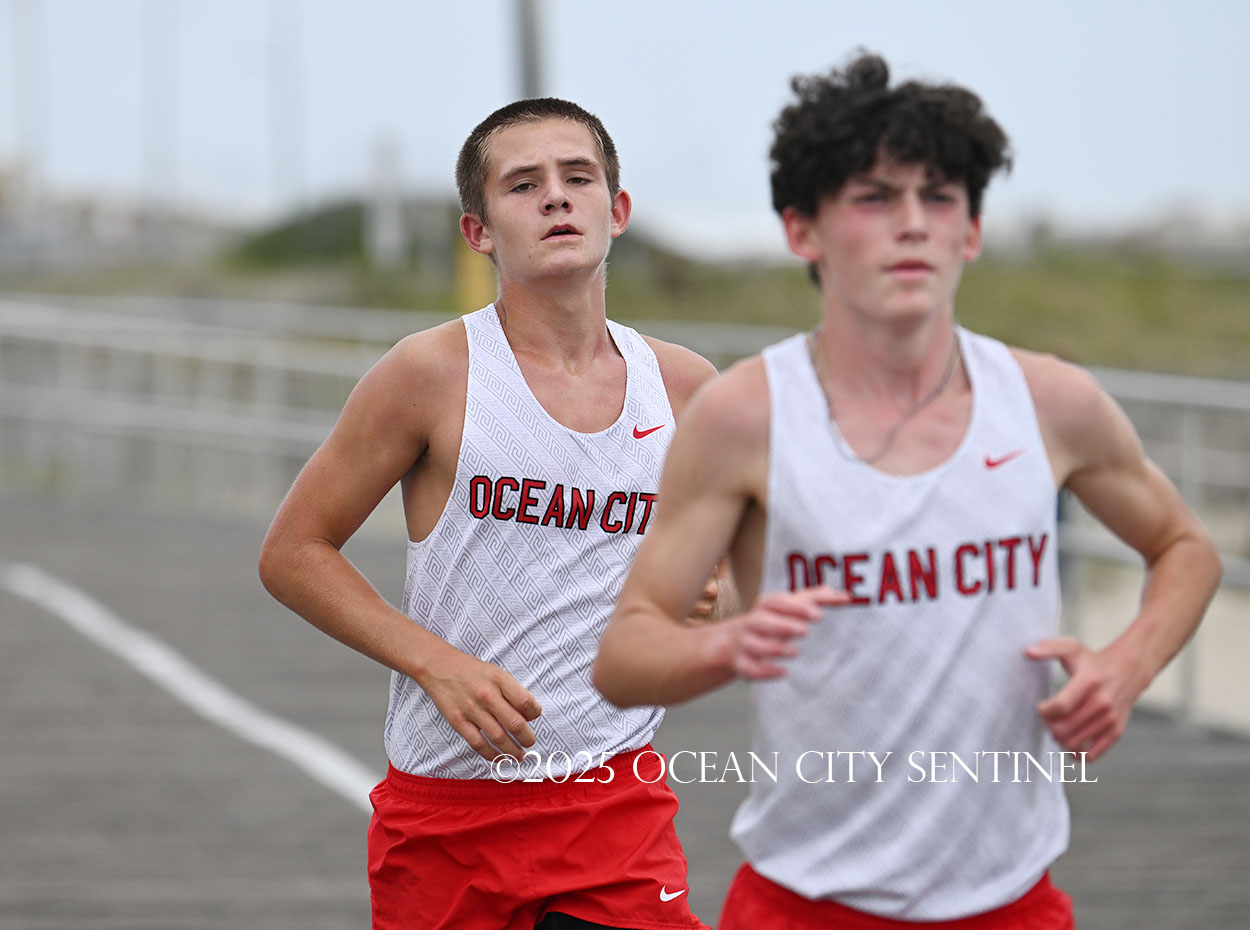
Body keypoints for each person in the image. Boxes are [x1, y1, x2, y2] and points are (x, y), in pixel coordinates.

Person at [593, 52, 1223, 929]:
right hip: (805, 904)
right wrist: (730, 644)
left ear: (972, 231)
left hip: (1013, 903)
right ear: (802, 230)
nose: (914, 224)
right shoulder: (745, 416)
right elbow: (623, 659)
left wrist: (1126, 667)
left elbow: (1186, 547)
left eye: (939, 197)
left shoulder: (1050, 402)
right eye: (875, 197)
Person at [259, 97, 717, 930]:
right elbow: (294, 551)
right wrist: (435, 663)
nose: (556, 196)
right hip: (449, 813)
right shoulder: (430, 373)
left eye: (578, 177)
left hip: (613, 807)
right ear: (478, 231)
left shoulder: (684, 386)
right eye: (523, 184)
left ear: (617, 209)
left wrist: (717, 586)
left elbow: (754, 555)